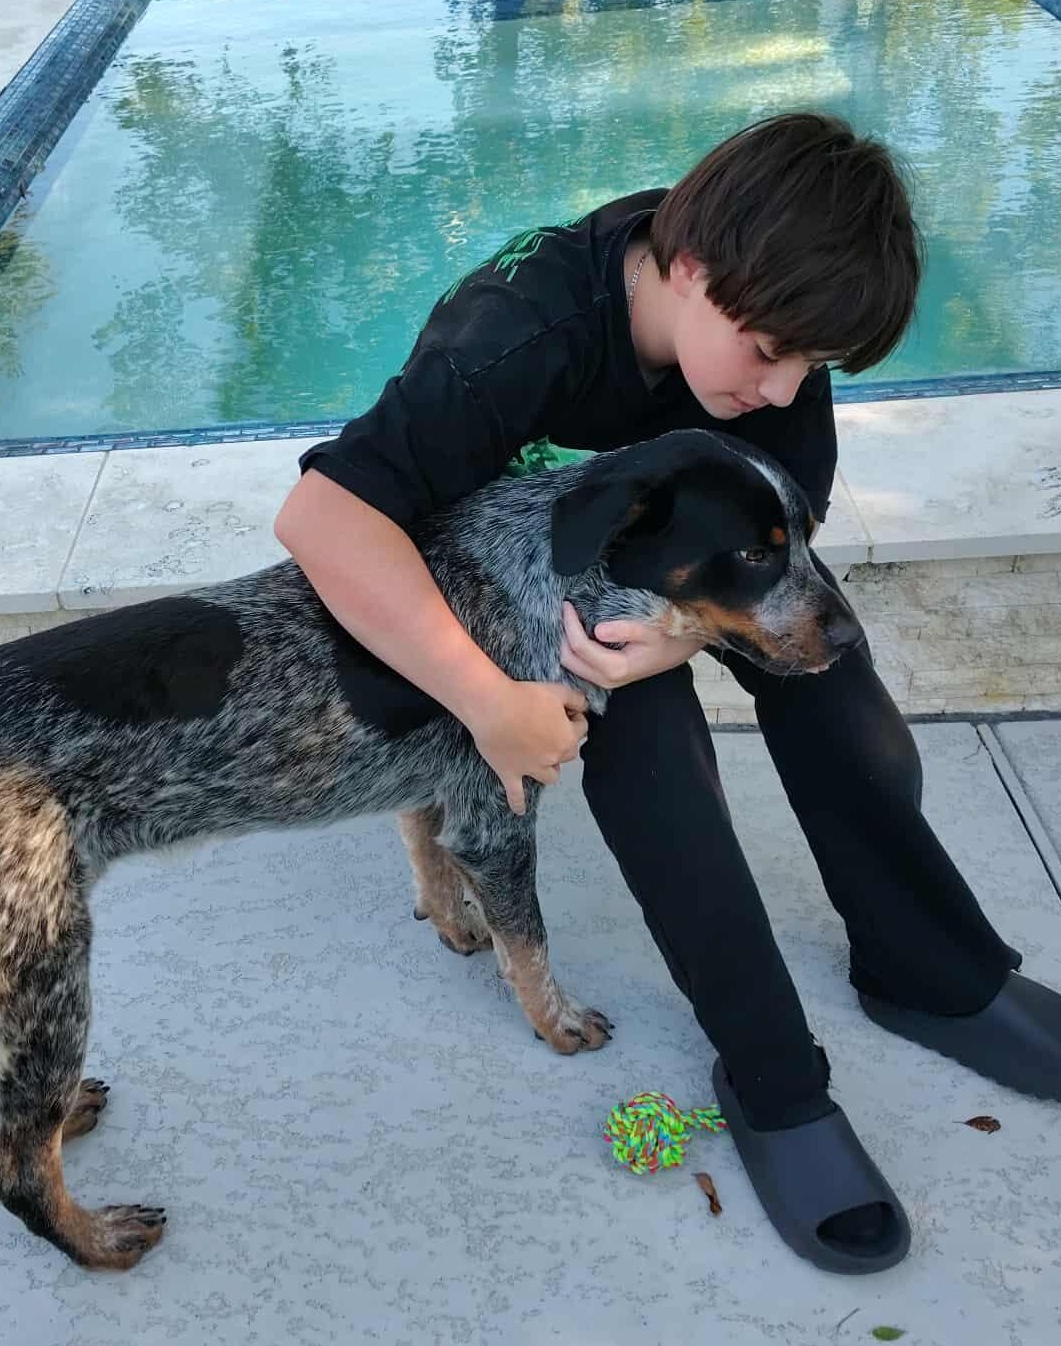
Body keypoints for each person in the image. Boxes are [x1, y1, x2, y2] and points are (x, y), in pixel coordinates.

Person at [273, 112, 1061, 1273]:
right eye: (768, 353)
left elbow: (790, 514)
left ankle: (928, 969)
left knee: (834, 687)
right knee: (654, 766)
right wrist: (487, 697)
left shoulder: (771, 302)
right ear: (685, 272)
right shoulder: (516, 335)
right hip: (527, 586)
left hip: (687, 560)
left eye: (813, 366)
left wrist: (686, 633)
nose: (785, 384)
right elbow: (321, 517)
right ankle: (772, 1075)